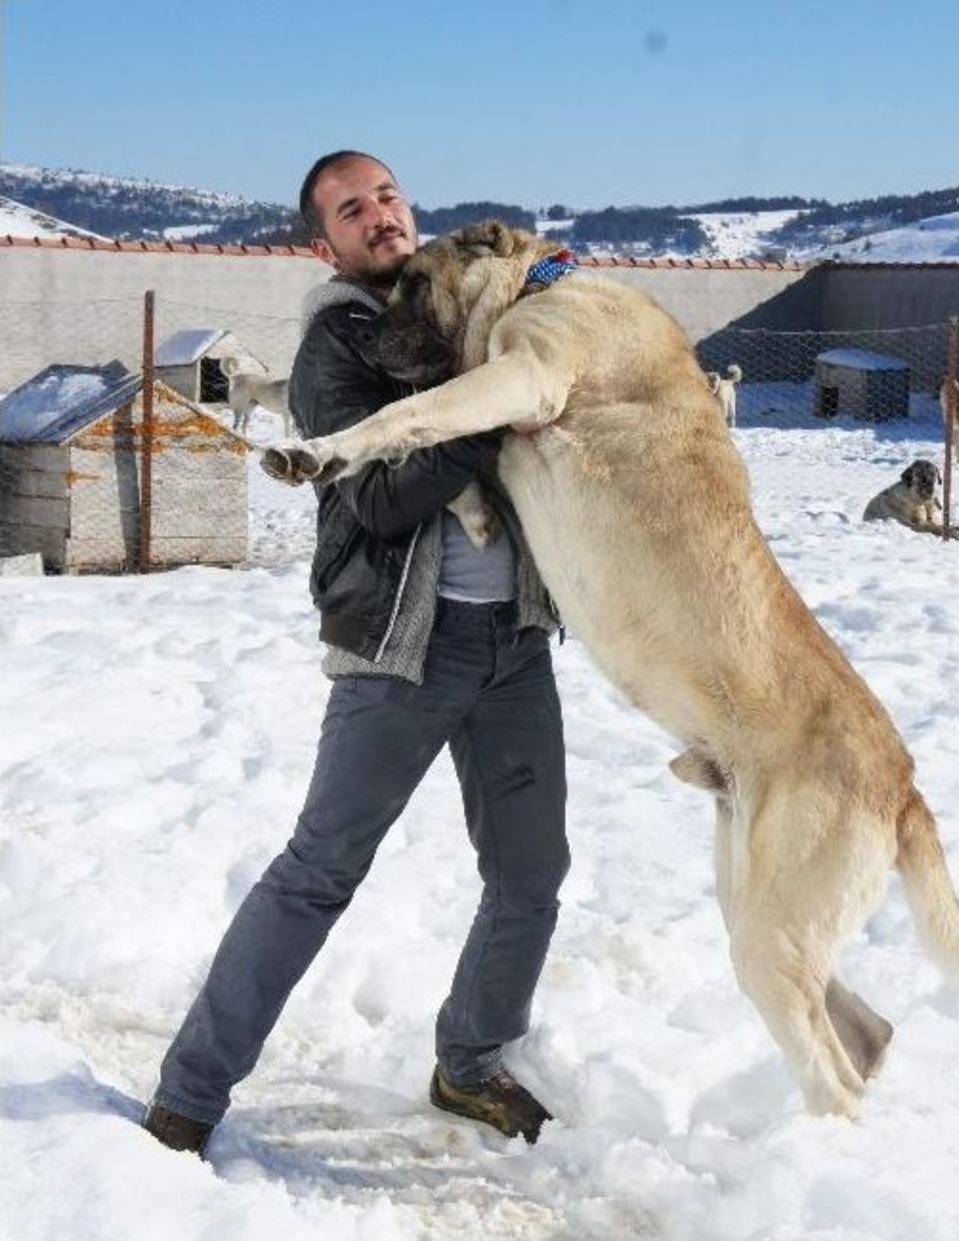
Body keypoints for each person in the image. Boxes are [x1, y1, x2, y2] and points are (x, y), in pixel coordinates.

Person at [143, 151, 569, 1156]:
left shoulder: (462, 307)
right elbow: (374, 497)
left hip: (514, 638)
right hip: (401, 649)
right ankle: (189, 1093)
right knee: (318, 870)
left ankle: (469, 1060)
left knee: (532, 873)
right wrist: (487, 417)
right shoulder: (337, 342)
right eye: (350, 209)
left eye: (385, 197)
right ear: (321, 240)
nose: (378, 218)